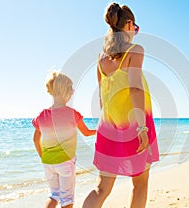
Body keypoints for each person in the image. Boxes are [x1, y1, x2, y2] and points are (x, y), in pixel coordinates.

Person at [82, 3, 159, 208]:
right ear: (129, 24)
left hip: (108, 128)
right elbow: (135, 90)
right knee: (140, 184)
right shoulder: (135, 50)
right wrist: (142, 128)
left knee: (102, 188)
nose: (135, 32)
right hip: (136, 124)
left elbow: (102, 98)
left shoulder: (101, 59)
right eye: (135, 28)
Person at [32, 71, 96, 208]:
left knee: (54, 195)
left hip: (48, 162)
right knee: (67, 199)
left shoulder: (41, 115)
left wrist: (43, 156)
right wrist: (100, 130)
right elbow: (86, 133)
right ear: (65, 92)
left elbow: (35, 139)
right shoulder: (72, 114)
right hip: (65, 162)